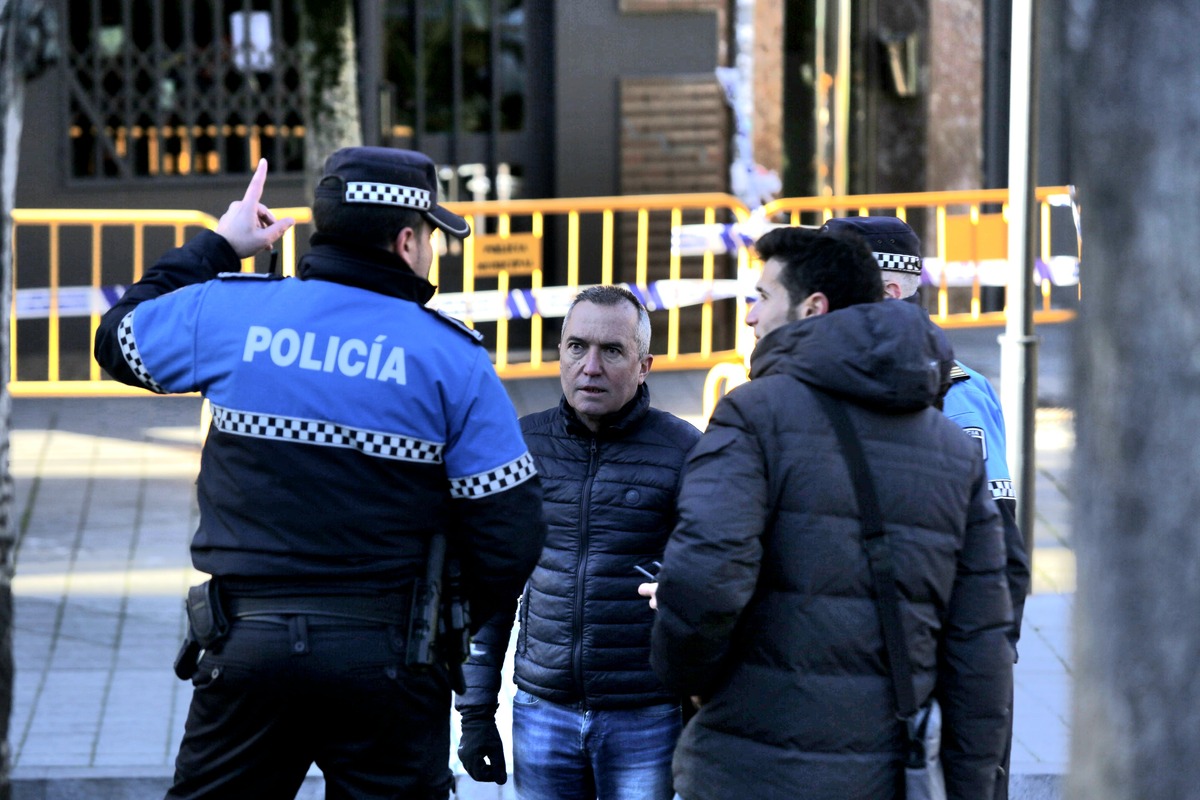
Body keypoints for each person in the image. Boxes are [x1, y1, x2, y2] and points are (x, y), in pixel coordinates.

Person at [93, 148, 547, 800]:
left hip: (246, 646)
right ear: (407, 239)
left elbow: (118, 338)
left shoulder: (229, 315)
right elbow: (512, 530)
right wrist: (441, 619)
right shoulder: (452, 359)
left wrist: (221, 243)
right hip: (388, 659)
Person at [646, 227, 1013, 799]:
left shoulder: (753, 415)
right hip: (883, 770)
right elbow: (983, 645)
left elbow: (702, 583)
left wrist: (687, 680)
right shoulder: (952, 448)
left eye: (762, 298)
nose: (749, 318)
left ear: (811, 308)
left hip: (752, 766)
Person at [455, 285, 701, 799]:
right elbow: (489, 588)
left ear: (644, 366)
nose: (590, 366)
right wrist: (477, 711)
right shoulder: (521, 444)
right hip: (542, 713)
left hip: (646, 717)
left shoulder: (685, 451)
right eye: (576, 346)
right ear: (560, 352)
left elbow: (708, 591)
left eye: (612, 351)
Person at [822, 215, 1031, 799]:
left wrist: (979, 666)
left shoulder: (956, 394)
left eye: (833, 285)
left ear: (890, 291)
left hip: (937, 665)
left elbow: (999, 549)